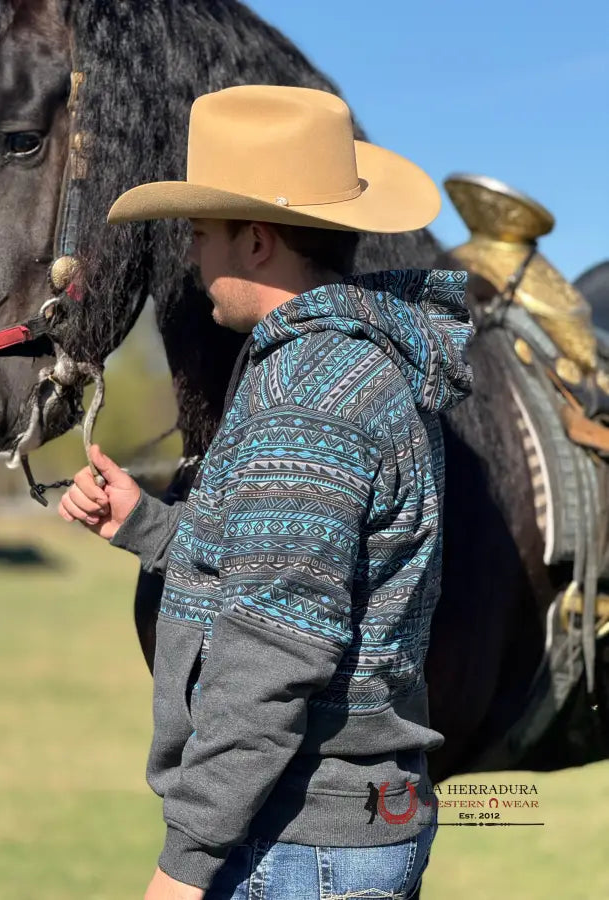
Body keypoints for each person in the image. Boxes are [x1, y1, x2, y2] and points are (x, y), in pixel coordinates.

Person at [58, 85, 473, 900]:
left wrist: (184, 866)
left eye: (201, 233)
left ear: (254, 242)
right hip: (320, 834)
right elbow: (288, 582)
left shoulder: (307, 399)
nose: (190, 258)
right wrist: (149, 528)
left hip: (292, 843)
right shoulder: (336, 367)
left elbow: (271, 656)